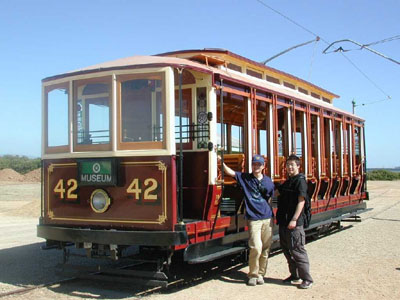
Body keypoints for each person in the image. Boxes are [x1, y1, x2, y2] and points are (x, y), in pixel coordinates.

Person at [218, 154, 274, 286]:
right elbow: (230, 172)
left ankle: (261, 274)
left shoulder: (268, 181)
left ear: (263, 166)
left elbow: (270, 199)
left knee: (266, 248)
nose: (256, 166)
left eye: (259, 165)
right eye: (254, 164)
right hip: (254, 218)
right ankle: (253, 275)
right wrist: (221, 161)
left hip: (267, 218)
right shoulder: (245, 178)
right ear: (252, 165)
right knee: (256, 247)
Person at [275, 154, 313, 289]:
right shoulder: (288, 181)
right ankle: (294, 275)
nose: (289, 167)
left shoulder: (300, 181)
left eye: (292, 165)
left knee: (297, 250)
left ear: (298, 166)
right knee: (286, 249)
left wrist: (294, 219)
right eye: (288, 165)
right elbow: (277, 193)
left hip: (294, 223)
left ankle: (307, 278)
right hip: (284, 222)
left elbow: (301, 201)